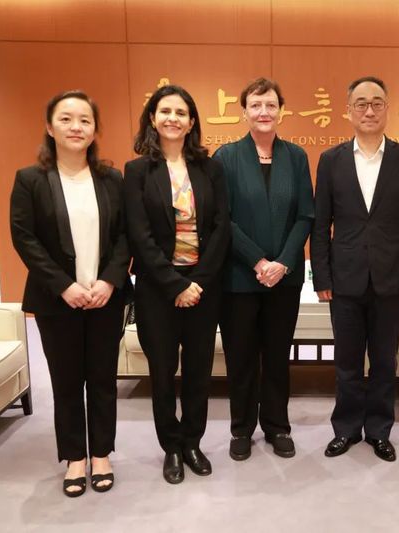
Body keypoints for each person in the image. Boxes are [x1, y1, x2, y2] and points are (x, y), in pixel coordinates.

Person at [10, 90, 130, 497]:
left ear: (95, 129)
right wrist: (64, 285)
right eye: (66, 119)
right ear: (50, 127)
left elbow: (125, 236)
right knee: (65, 381)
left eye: (84, 120)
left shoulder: (112, 179)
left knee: (102, 379)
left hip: (104, 297)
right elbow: (25, 238)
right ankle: (75, 457)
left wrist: (109, 281)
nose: (76, 127)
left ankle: (102, 454)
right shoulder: (30, 180)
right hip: (55, 299)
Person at [311, 76, 399, 462]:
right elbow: (320, 224)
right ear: (348, 111)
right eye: (361, 103)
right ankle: (346, 429)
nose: (369, 110)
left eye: (377, 103)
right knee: (346, 363)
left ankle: (379, 430)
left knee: (384, 361)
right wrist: (322, 276)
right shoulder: (331, 160)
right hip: (344, 280)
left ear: (387, 109)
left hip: (391, 281)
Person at [124, 85, 230, 484]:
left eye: (181, 112)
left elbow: (221, 227)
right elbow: (139, 235)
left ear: (191, 122)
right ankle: (171, 446)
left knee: (200, 370)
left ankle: (192, 443)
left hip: (203, 286)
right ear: (153, 119)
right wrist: (174, 285)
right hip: (158, 288)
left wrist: (198, 282)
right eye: (165, 111)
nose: (173, 118)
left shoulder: (209, 168)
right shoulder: (137, 171)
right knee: (163, 370)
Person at [214, 78, 314, 461]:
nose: (263, 112)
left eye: (271, 105)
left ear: (281, 111)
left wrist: (283, 263)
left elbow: (305, 215)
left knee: (276, 357)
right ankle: (241, 429)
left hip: (283, 280)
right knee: (240, 358)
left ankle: (277, 426)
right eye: (256, 105)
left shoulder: (296, 156)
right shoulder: (226, 157)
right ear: (244, 112)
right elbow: (222, 218)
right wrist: (258, 261)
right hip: (239, 278)